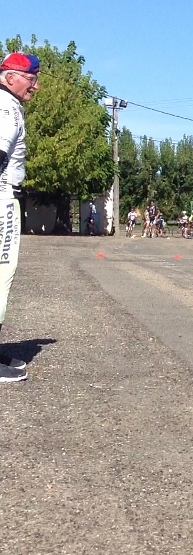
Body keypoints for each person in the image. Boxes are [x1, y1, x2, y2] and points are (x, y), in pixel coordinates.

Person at [0, 52, 40, 382]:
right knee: (1, 274)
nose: (35, 85)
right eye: (31, 78)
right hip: (1, 198)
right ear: (10, 76)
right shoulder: (6, 109)